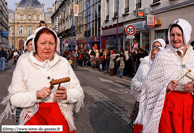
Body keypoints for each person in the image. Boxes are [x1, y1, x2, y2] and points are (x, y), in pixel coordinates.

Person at [0, 27, 84, 133]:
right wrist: (35, 95)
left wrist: (67, 95)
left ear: (56, 45)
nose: (47, 47)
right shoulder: (24, 63)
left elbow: (78, 92)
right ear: (35, 45)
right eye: (43, 43)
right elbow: (14, 98)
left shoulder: (63, 62)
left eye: (51, 43)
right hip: (33, 123)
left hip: (60, 122)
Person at [134, 19, 194, 133]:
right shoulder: (163, 55)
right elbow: (148, 83)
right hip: (167, 105)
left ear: (185, 35)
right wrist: (166, 86)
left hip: (189, 106)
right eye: (172, 34)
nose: (175, 38)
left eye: (178, 35)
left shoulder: (193, 56)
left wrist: (193, 87)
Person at [129, 47, 161, 133]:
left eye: (157, 54)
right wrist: (144, 86)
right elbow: (134, 81)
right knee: (139, 127)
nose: (154, 56)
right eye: (153, 54)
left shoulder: (163, 69)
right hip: (143, 102)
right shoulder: (144, 66)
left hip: (156, 105)